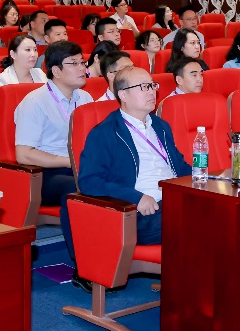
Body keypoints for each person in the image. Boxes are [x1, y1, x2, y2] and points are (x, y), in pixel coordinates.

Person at [76, 66, 191, 248]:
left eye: (152, 85)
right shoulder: (105, 132)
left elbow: (181, 167)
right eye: (144, 87)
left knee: (225, 210)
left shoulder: (161, 126)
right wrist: (136, 198)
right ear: (123, 95)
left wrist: (208, 181)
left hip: (176, 201)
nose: (152, 92)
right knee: (197, 222)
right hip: (141, 212)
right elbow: (89, 181)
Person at [13, 41, 92, 254]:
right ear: (56, 71)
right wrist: (70, 162)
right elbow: (24, 154)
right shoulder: (35, 102)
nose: (82, 68)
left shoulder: (85, 98)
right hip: (45, 174)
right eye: (74, 63)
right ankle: (83, 261)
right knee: (78, 188)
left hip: (79, 167)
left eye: (82, 62)